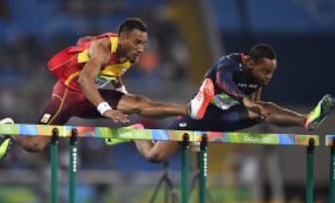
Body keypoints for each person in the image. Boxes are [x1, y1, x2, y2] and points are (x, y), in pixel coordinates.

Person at [0, 17, 213, 173]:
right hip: (69, 94)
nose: (141, 48)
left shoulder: (129, 55)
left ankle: (189, 108)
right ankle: (9, 126)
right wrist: (106, 109)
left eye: (144, 43)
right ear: (122, 39)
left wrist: (122, 97)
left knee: (139, 103)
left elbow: (115, 75)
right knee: (34, 145)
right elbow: (84, 79)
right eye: (137, 42)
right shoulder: (103, 47)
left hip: (92, 98)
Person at [107, 43, 335, 163]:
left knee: (264, 109)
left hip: (227, 118)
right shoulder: (229, 64)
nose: (268, 76)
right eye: (265, 71)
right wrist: (245, 101)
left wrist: (256, 109)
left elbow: (256, 105)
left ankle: (305, 120)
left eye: (272, 72)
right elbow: (223, 82)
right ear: (250, 62)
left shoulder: (257, 77)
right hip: (201, 115)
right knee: (155, 157)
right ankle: (137, 132)